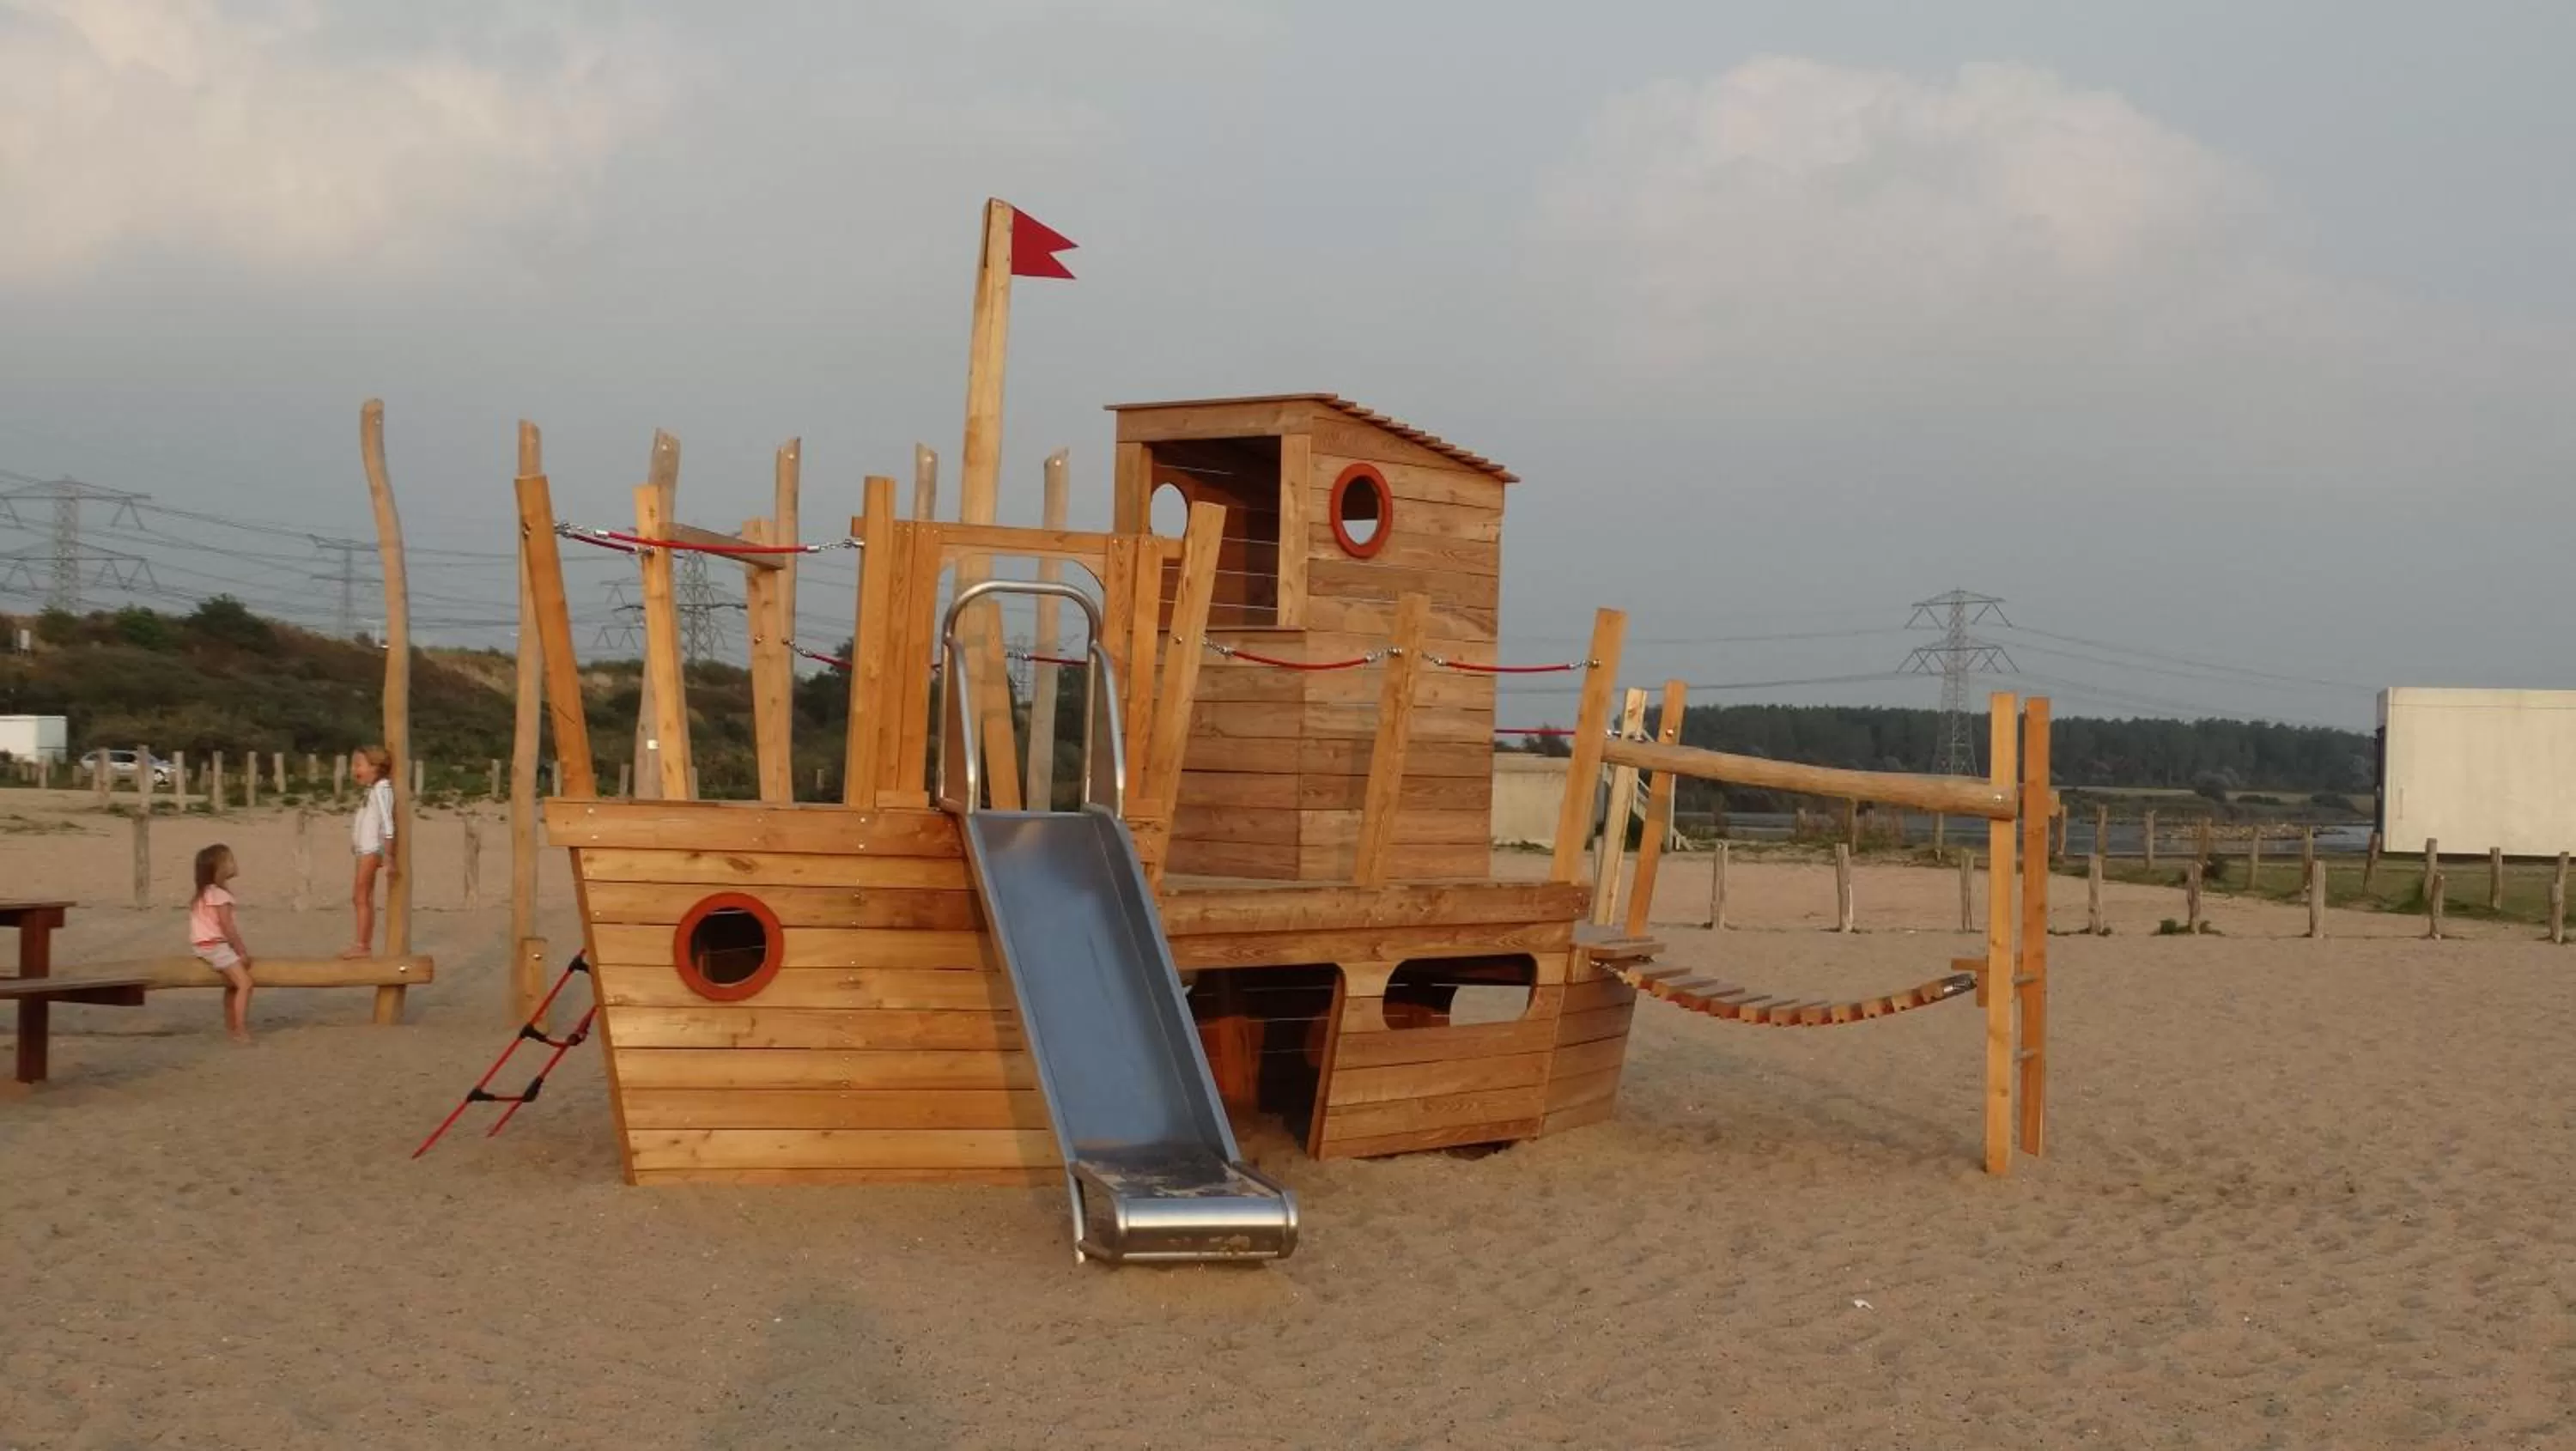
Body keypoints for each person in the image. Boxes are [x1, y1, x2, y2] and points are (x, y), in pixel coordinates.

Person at [190, 843, 255, 1043]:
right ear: (219, 869)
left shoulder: (205, 892)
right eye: (230, 861)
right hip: (214, 946)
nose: (234, 864)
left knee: (232, 985)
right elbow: (227, 927)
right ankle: (241, 1030)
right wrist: (241, 950)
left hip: (203, 944)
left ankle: (231, 1026)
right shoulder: (220, 895)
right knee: (246, 983)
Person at [340, 744, 397, 959]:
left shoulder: (382, 789)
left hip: (372, 849)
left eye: (359, 765)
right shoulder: (372, 790)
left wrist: (389, 856)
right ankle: (362, 943)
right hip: (364, 849)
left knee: (360, 896)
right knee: (361, 897)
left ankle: (363, 945)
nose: (354, 770)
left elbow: (387, 824)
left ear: (376, 767)